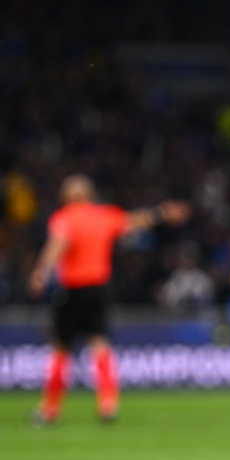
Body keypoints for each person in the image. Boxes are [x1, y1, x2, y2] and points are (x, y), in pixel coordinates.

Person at [27, 174, 189, 423]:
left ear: (67, 196)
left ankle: (50, 409)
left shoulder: (64, 217)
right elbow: (135, 221)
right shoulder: (103, 215)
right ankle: (108, 404)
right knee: (100, 343)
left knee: (61, 346)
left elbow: (58, 243)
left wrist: (41, 272)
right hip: (99, 288)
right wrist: (162, 212)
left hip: (72, 289)